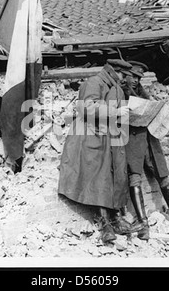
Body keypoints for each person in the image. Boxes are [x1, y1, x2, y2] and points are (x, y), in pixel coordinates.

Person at [58, 59, 135, 244]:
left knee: (115, 176)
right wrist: (116, 111)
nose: (124, 79)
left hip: (109, 135)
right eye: (123, 75)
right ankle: (104, 223)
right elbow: (87, 108)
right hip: (90, 136)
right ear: (114, 71)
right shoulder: (93, 82)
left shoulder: (115, 86)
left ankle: (115, 218)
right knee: (99, 177)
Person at [120, 60, 169, 240]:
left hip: (149, 139)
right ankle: (142, 222)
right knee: (134, 177)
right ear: (126, 75)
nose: (136, 81)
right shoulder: (119, 91)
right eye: (134, 77)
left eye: (139, 78)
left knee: (162, 173)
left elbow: (149, 104)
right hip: (131, 141)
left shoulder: (139, 90)